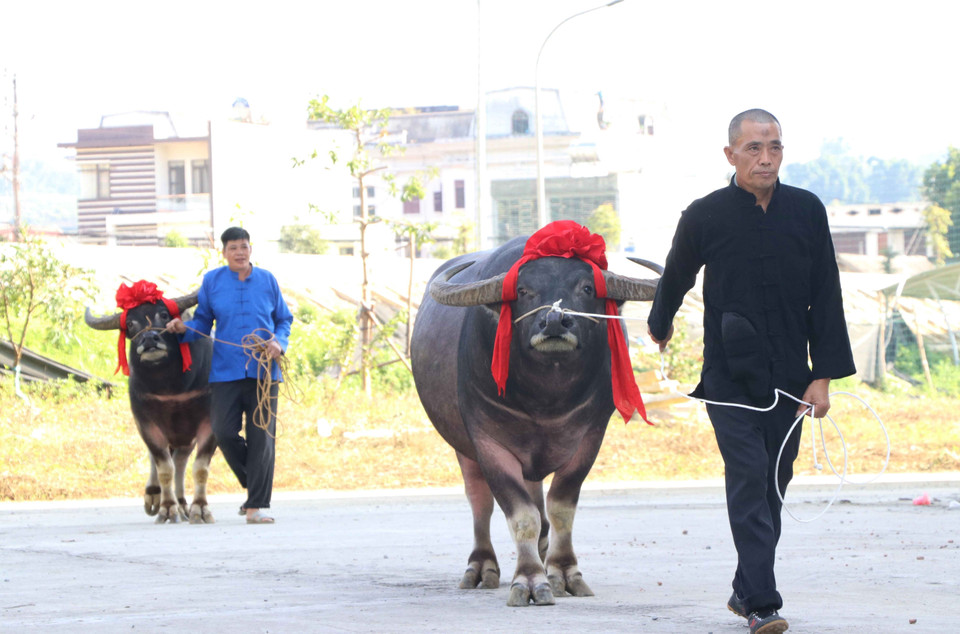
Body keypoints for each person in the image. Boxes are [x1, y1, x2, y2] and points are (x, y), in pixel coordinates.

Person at [646, 109, 855, 634]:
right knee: (748, 478)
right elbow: (676, 274)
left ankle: (744, 590)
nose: (766, 158)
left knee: (774, 486)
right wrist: (661, 322)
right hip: (729, 378)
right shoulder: (705, 215)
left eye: (775, 147)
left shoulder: (807, 211)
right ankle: (763, 601)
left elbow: (826, 295)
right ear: (731, 154)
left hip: (790, 377)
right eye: (755, 148)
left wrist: (822, 377)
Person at [166, 226, 293, 524]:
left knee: (262, 438)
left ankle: (254, 508)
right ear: (224, 252)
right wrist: (183, 330)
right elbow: (203, 321)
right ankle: (256, 486)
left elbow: (284, 319)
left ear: (251, 249)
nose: (239, 252)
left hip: (264, 371)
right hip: (225, 371)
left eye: (244, 246)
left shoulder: (267, 280)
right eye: (233, 247)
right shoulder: (212, 281)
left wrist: (279, 342)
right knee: (223, 431)